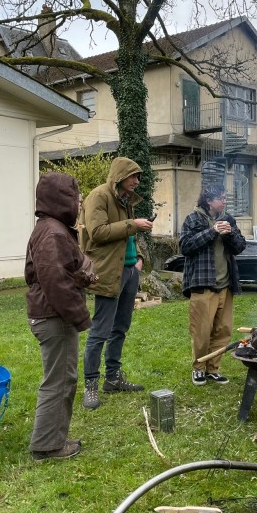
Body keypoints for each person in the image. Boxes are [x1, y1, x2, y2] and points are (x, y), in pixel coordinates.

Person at [26, 173, 94, 460]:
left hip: (52, 314)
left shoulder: (52, 228)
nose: (79, 203)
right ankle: (48, 446)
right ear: (60, 199)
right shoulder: (52, 231)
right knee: (59, 381)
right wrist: (80, 317)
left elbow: (63, 270)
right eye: (75, 197)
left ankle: (51, 439)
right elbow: (55, 281)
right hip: (54, 317)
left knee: (60, 378)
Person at [80, 157, 153, 410]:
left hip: (130, 271)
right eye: (133, 176)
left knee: (120, 327)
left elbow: (128, 238)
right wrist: (134, 224)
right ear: (120, 175)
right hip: (109, 272)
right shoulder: (98, 196)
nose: (136, 181)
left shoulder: (126, 200)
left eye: (138, 177)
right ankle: (90, 385)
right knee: (100, 330)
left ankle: (113, 378)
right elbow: (97, 232)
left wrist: (139, 259)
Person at [180, 184, 246, 386]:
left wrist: (230, 234)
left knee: (223, 329)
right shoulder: (193, 219)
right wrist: (212, 231)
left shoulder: (228, 219)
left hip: (225, 285)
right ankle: (199, 368)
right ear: (209, 201)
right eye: (221, 198)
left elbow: (240, 246)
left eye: (226, 198)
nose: (225, 201)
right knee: (201, 331)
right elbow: (185, 246)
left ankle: (213, 369)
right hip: (203, 285)